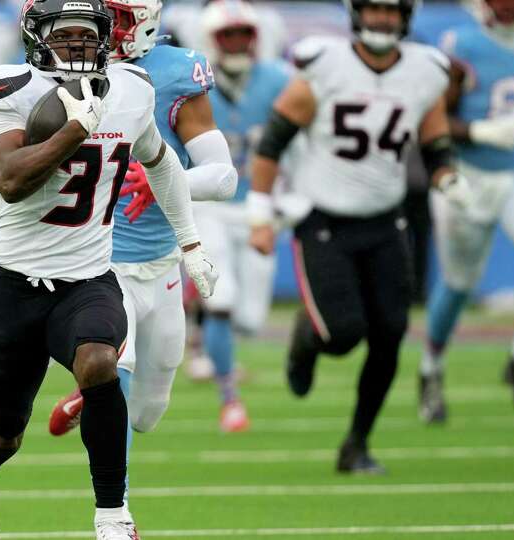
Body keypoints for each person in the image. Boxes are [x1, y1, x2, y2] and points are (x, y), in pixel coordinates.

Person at [0, 0, 217, 537]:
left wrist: (190, 242)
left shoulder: (133, 88)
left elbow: (160, 161)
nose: (78, 46)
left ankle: (113, 516)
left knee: (98, 363)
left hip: (89, 276)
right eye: (65, 35)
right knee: (2, 436)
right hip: (14, 285)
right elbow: (8, 177)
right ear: (36, 37)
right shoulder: (6, 86)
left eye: (87, 35)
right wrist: (73, 130)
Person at [247, 0, 471, 473]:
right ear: (356, 13)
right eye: (374, 10)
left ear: (406, 17)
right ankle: (308, 338)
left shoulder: (424, 71)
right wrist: (261, 213)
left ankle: (357, 444)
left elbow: (434, 141)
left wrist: (447, 175)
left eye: (391, 12)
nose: (383, 20)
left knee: (390, 334)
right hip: (324, 220)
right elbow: (272, 143)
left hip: (386, 220)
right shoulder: (326, 65)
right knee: (343, 333)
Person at [419, 0, 514, 422]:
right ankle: (430, 369)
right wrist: (478, 130)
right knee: (458, 285)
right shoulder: (461, 45)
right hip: (467, 175)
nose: (508, 7)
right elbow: (432, 119)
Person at [183, 0, 291, 432]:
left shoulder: (278, 80)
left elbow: (296, 143)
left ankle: (214, 348)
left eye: (243, 35)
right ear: (211, 40)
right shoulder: (191, 82)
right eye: (228, 35)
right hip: (207, 205)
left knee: (249, 318)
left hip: (255, 207)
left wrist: (291, 199)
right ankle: (230, 398)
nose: (237, 43)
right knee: (222, 303)